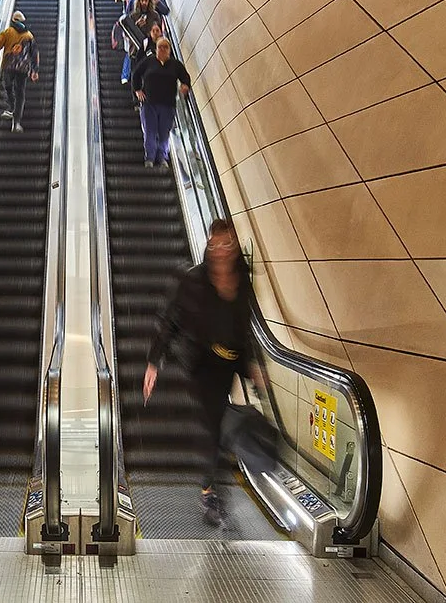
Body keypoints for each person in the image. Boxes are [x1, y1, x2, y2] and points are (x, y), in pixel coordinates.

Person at [143, 219, 265, 527]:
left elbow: (244, 327)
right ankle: (211, 492)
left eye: (227, 244)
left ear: (235, 246)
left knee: (220, 425)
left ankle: (213, 484)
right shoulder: (194, 280)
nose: (222, 250)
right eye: (216, 244)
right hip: (202, 364)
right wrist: (154, 362)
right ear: (209, 245)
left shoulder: (243, 280)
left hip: (230, 364)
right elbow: (170, 320)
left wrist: (252, 366)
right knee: (213, 426)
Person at [130, 37, 190, 167]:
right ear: (156, 49)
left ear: (169, 50)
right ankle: (150, 158)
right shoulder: (149, 61)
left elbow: (185, 76)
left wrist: (185, 85)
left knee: (164, 133)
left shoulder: (175, 64)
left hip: (168, 105)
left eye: (165, 47)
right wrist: (137, 90)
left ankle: (162, 157)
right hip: (149, 103)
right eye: (160, 47)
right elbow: (136, 73)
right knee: (150, 131)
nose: (162, 49)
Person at [113, 0, 164, 86]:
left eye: (146, 1)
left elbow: (158, 32)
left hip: (150, 49)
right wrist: (136, 26)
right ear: (138, 1)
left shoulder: (154, 15)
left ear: (149, 1)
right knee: (135, 74)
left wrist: (149, 28)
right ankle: (136, 92)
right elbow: (127, 33)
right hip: (135, 50)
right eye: (142, 0)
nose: (144, 3)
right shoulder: (133, 15)